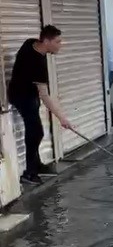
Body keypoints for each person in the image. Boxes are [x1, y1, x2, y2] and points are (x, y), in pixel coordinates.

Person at [8, 25, 72, 185]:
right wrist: (62, 118)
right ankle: (29, 174)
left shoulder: (30, 43)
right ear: (46, 41)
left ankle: (36, 165)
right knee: (35, 132)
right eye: (57, 42)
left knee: (35, 131)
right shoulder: (37, 63)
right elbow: (45, 96)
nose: (60, 45)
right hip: (21, 96)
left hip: (29, 94)